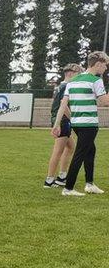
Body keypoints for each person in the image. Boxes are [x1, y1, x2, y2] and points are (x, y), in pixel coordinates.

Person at [52, 51, 109, 196]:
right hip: (89, 124)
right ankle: (68, 188)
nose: (106, 68)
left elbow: (63, 105)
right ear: (98, 64)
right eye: (105, 65)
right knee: (80, 154)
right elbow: (104, 102)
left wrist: (56, 124)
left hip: (76, 124)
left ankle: (89, 184)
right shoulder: (96, 80)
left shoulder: (72, 81)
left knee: (91, 151)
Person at [45, 63, 82, 188]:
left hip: (60, 120)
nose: (79, 76)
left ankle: (61, 176)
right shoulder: (67, 86)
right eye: (78, 74)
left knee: (71, 147)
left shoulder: (60, 86)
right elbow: (63, 104)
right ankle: (49, 180)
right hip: (63, 121)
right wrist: (73, 119)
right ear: (70, 74)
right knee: (58, 151)